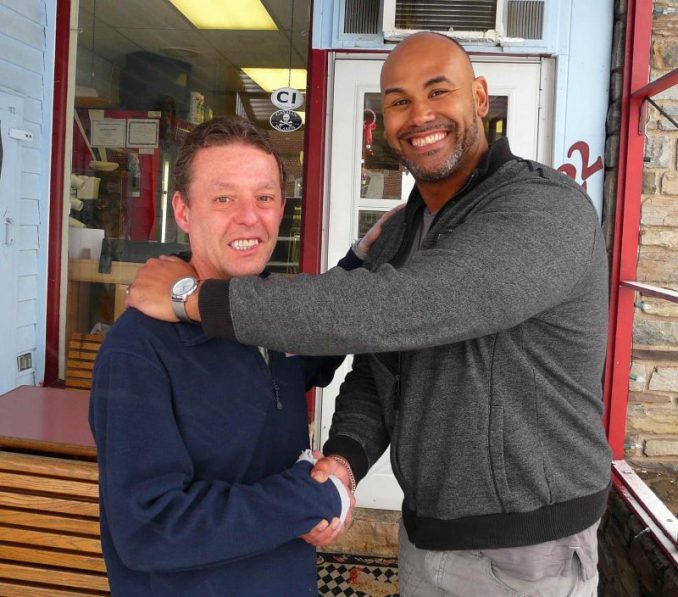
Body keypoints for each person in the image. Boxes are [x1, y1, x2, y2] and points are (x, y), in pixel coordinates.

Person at [126, 33, 612, 595]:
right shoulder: (404, 229)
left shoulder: (541, 208)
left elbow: (404, 308)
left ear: (479, 97)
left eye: (439, 91)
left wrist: (193, 298)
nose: (420, 114)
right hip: (426, 532)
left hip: (530, 550)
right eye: (400, 101)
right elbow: (381, 368)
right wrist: (346, 458)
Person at [89, 115, 400, 596]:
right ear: (184, 211)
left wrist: (362, 259)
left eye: (265, 197)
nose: (249, 217)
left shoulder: (269, 314)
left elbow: (318, 347)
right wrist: (308, 498)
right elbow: (149, 527)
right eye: (224, 198)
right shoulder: (138, 350)